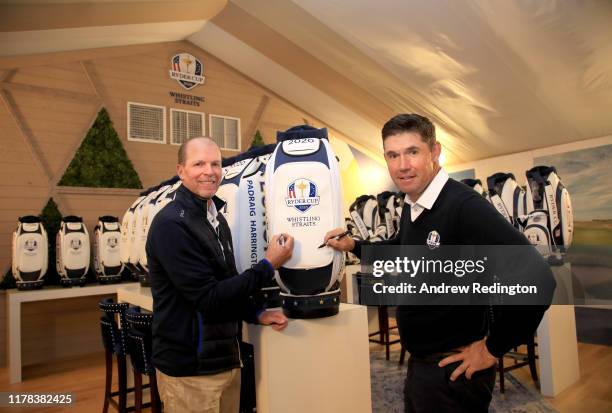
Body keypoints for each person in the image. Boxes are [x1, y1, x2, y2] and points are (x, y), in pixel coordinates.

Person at [325, 114, 555, 413]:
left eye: (413, 152)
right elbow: (402, 249)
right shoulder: (413, 202)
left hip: (452, 371)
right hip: (424, 366)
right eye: (393, 155)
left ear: (435, 152)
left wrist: (492, 348)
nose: (402, 165)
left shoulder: (463, 206)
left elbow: (538, 277)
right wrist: (354, 244)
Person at [146, 136, 294, 413]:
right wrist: (268, 265)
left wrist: (256, 314)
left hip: (223, 359)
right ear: (181, 170)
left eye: (215, 163)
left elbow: (225, 282)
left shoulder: (215, 218)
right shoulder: (171, 225)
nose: (209, 171)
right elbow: (208, 298)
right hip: (190, 370)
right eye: (198, 163)